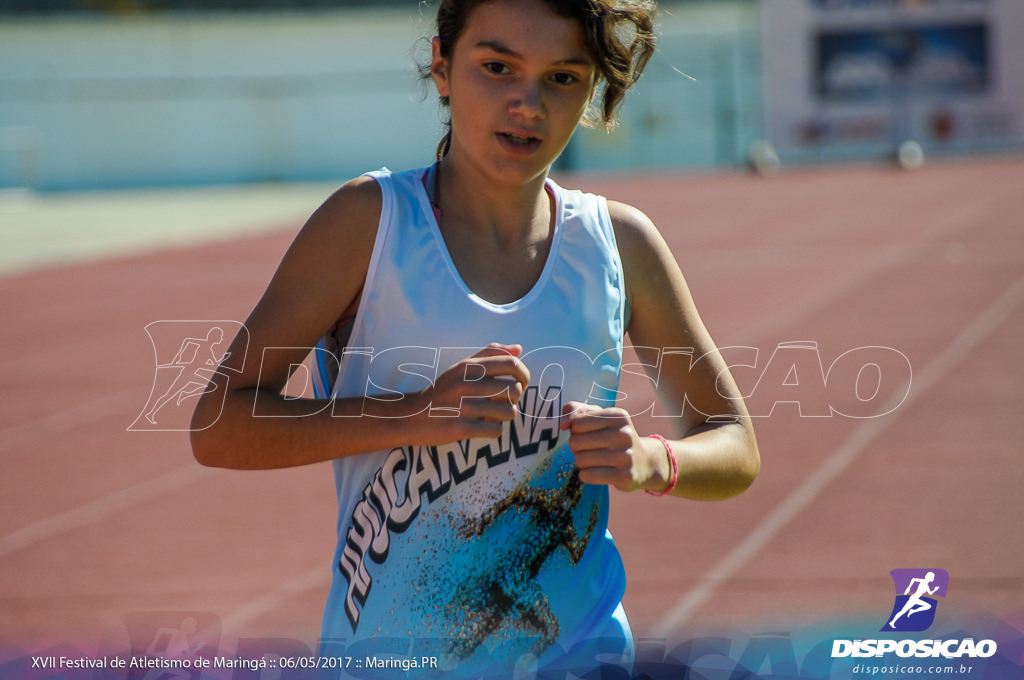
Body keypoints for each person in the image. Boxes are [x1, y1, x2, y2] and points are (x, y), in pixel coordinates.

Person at [190, 0, 759, 676]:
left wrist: (653, 461)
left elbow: (734, 441)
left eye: (563, 78)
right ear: (441, 67)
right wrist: (410, 415)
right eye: (497, 68)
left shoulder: (620, 243)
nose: (528, 103)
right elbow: (219, 426)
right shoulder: (367, 225)